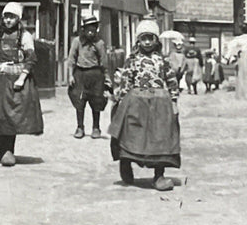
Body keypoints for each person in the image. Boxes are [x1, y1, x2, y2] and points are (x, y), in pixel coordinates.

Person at [108, 18, 180, 191]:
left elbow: (171, 81)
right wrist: (121, 100)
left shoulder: (162, 61)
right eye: (143, 38)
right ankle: (126, 164)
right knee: (132, 133)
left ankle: (159, 176)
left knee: (160, 136)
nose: (147, 42)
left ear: (156, 40)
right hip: (136, 102)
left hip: (160, 103)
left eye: (150, 38)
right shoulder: (132, 60)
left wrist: (174, 101)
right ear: (138, 40)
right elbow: (126, 81)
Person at [0, 2, 43, 167]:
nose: (8, 20)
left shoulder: (24, 36)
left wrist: (22, 78)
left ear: (18, 18)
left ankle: (9, 150)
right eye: (6, 17)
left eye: (12, 17)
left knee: (12, 116)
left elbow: (32, 59)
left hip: (16, 80)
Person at [67, 15, 112, 139]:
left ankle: (96, 127)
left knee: (96, 101)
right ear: (83, 30)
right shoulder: (77, 41)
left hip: (96, 74)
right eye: (88, 29)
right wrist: (71, 75)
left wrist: (107, 78)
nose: (90, 32)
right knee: (79, 100)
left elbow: (104, 62)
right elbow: (71, 59)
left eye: (93, 29)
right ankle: (80, 127)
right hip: (80, 74)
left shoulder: (100, 43)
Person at [226, 23, 247, 100]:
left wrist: (228, 56)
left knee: (242, 75)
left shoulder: (238, 38)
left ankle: (242, 94)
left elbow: (230, 46)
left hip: (242, 56)